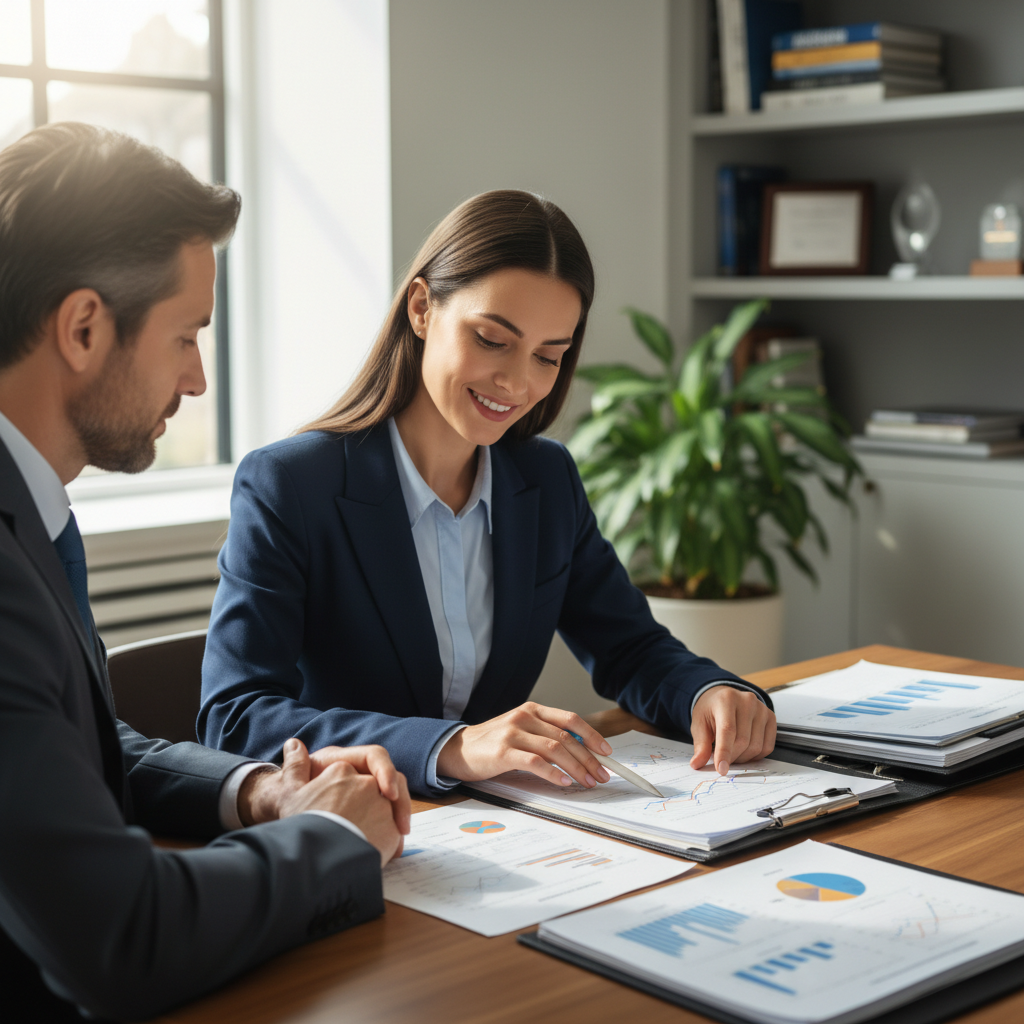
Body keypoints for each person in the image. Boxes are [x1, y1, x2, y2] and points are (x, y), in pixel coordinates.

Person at [0, 123, 411, 1023]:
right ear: (81, 328)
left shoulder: (27, 509)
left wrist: (258, 789)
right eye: (186, 336)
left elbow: (73, 749)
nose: (196, 380)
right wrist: (331, 835)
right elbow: (122, 936)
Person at [199, 189, 777, 799]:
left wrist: (708, 692)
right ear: (421, 308)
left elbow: (630, 647)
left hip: (506, 829)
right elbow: (235, 716)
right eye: (492, 340)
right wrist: (451, 746)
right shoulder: (292, 484)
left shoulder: (545, 479)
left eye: (549, 357)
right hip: (358, 829)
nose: (518, 383)